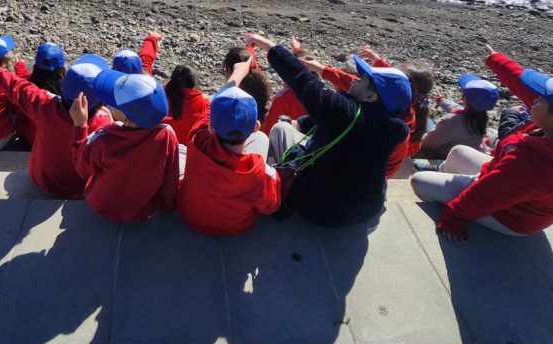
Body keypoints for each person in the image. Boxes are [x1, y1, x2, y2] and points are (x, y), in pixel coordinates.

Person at [410, 46, 553, 243]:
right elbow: (526, 88)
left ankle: (449, 193)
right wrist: (497, 60)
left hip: (510, 217)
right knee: (458, 152)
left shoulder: (533, 166)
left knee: (419, 181)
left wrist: (454, 217)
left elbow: (486, 195)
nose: (533, 100)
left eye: (539, 100)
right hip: (510, 187)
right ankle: (449, 175)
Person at [245, 32, 410, 228]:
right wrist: (304, 123)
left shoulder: (348, 114)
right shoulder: (389, 126)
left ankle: (286, 200)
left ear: (371, 97)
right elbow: (338, 126)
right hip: (366, 209)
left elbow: (305, 82)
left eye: (362, 80)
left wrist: (269, 46)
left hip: (324, 210)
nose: (355, 79)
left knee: (280, 129)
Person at [0, 50, 112, 198]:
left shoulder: (45, 105)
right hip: (78, 187)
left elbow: (16, 86)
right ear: (101, 100)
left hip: (42, 180)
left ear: (63, 87)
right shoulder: (104, 120)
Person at [178, 57, 281, 235]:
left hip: (189, 215)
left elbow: (210, 108)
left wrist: (235, 76)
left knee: (181, 150)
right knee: (263, 140)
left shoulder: (198, 139)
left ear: (211, 127)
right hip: (235, 227)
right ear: (256, 127)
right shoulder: (257, 170)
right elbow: (271, 205)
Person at [69, 68, 180, 223]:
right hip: (143, 208)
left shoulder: (103, 138)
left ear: (127, 119)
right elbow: (171, 177)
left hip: (102, 206)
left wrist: (80, 127)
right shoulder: (167, 135)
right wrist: (166, 206)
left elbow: (82, 169)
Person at [357, 46, 433, 178]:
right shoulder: (419, 109)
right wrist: (376, 59)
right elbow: (396, 79)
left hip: (387, 162)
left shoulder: (396, 114)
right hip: (406, 155)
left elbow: (392, 81)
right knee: (430, 123)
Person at [416, 74, 499, 161]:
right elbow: (457, 108)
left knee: (426, 122)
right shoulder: (480, 117)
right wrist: (442, 101)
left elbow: (427, 143)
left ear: (464, 98)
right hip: (466, 155)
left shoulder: (450, 122)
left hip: (442, 157)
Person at [15, 42, 67, 147]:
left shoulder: (29, 87)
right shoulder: (68, 89)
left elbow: (23, 79)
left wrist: (19, 64)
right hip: (58, 139)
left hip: (31, 138)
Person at [162, 65, 208, 145]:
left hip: (162, 142)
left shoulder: (161, 94)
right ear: (194, 84)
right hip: (187, 146)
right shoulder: (202, 101)